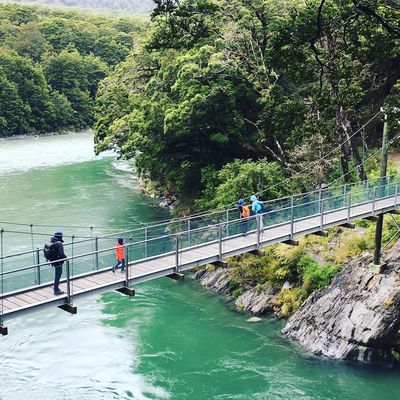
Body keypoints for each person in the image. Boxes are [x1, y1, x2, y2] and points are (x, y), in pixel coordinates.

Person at [47, 231, 66, 296]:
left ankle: (56, 289)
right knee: (58, 275)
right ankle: (56, 290)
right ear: (60, 237)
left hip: (52, 261)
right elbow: (61, 254)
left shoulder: (51, 241)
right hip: (57, 262)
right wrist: (64, 260)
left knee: (57, 275)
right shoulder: (59, 243)